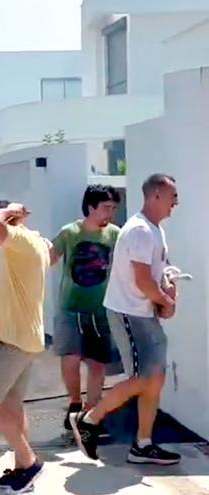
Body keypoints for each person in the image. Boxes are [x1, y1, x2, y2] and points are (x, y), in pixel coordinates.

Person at [71, 174, 181, 465]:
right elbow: (144, 282)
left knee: (155, 379)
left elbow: (158, 272)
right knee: (145, 378)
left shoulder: (154, 230)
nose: (176, 202)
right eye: (173, 196)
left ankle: (143, 445)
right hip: (129, 314)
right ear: (155, 195)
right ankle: (89, 420)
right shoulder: (140, 231)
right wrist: (166, 302)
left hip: (143, 312)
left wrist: (169, 285)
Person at [0, 199, 50, 493]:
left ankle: (30, 463)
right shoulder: (32, 243)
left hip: (12, 340)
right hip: (23, 338)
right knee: (11, 406)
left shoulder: (19, 238)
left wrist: (12, 210)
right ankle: (23, 472)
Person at [49, 185, 121, 434]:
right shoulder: (70, 233)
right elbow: (48, 257)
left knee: (97, 364)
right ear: (91, 207)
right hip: (70, 309)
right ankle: (74, 404)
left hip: (100, 311)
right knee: (70, 359)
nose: (110, 213)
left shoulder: (115, 235)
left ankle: (91, 414)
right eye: (105, 208)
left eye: (113, 208)